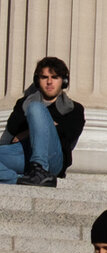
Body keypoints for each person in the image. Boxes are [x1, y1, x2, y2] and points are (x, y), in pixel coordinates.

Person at [1, 57, 85, 187]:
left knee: (35, 108)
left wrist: (29, 131)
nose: (49, 82)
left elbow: (67, 138)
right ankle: (19, 179)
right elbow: (9, 136)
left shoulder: (75, 109)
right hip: (22, 154)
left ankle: (40, 170)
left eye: (55, 77)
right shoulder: (23, 104)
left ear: (64, 81)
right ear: (37, 80)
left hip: (52, 157)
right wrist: (48, 125)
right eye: (44, 77)